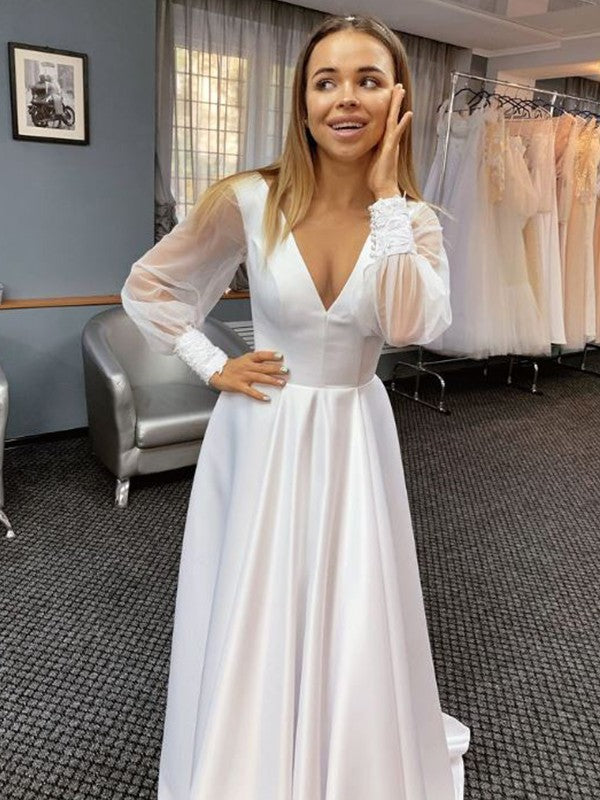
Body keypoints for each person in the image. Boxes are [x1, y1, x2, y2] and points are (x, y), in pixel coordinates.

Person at [122, 13, 469, 800]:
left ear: (398, 100)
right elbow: (150, 286)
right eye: (325, 82)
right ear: (302, 101)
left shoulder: (413, 222)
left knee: (353, 598)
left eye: (368, 81)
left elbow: (410, 324)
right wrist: (213, 364)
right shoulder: (249, 198)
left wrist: (388, 198)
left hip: (353, 431)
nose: (345, 99)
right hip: (264, 430)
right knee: (256, 595)